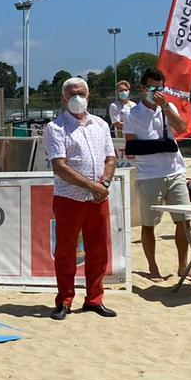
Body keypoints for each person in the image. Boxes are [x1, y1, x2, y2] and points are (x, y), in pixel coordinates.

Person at [43, 77, 118, 320]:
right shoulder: (55, 128)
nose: (77, 98)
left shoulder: (101, 125)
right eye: (72, 94)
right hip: (69, 198)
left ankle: (94, 299)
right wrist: (92, 186)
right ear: (63, 98)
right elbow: (60, 167)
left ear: (89, 95)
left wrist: (103, 184)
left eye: (81, 93)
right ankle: (64, 300)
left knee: (99, 250)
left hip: (97, 198)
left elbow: (110, 158)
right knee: (66, 250)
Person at [123, 67, 191, 281]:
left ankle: (183, 265)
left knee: (184, 221)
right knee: (149, 223)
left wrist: (166, 109)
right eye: (152, 88)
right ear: (143, 88)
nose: (157, 92)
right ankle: (153, 267)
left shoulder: (168, 107)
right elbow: (132, 146)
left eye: (160, 88)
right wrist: (162, 145)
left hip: (175, 170)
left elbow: (182, 129)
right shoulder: (132, 114)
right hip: (149, 174)